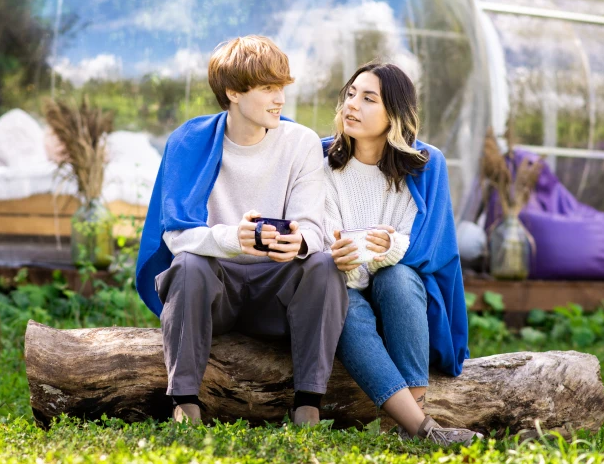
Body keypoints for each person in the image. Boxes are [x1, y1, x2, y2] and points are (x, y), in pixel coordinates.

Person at [136, 35, 349, 426]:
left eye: (282, 87)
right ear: (233, 91)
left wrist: (297, 242)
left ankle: (308, 404)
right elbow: (177, 236)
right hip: (217, 294)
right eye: (268, 88)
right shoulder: (188, 142)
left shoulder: (300, 142)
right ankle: (184, 402)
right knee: (188, 265)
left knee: (323, 265)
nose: (279, 98)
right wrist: (235, 238)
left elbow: (316, 226)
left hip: (277, 291)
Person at [323, 61, 478, 445]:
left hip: (404, 296)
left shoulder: (424, 165)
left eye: (368, 98)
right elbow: (320, 236)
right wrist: (340, 260)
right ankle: (421, 428)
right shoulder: (322, 161)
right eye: (350, 94)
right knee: (341, 297)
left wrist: (390, 249)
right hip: (343, 287)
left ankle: (409, 414)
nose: (352, 106)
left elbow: (428, 248)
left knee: (398, 276)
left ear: (394, 114)